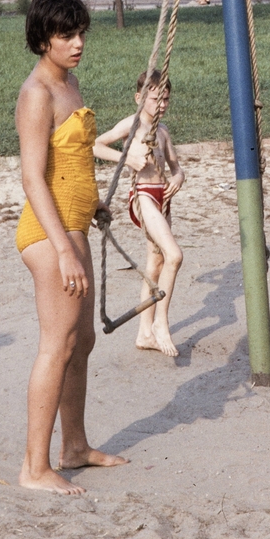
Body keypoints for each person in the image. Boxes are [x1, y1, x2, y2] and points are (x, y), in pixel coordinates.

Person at [14, 0, 128, 494]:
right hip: (47, 233)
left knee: (83, 342)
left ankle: (74, 447)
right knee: (57, 345)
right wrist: (62, 248)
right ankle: (34, 468)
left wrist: (93, 205)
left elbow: (73, 163)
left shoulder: (71, 83)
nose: (78, 43)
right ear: (43, 39)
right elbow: (34, 178)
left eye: (82, 32)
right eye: (67, 35)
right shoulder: (37, 93)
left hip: (75, 223)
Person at [94, 70, 186, 357]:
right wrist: (129, 158)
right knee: (174, 256)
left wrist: (178, 178)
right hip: (143, 195)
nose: (161, 104)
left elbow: (176, 167)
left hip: (162, 199)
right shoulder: (132, 125)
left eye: (166, 99)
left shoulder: (163, 131)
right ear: (140, 97)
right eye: (155, 98)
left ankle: (144, 333)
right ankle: (161, 322)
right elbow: (95, 144)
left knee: (156, 265)